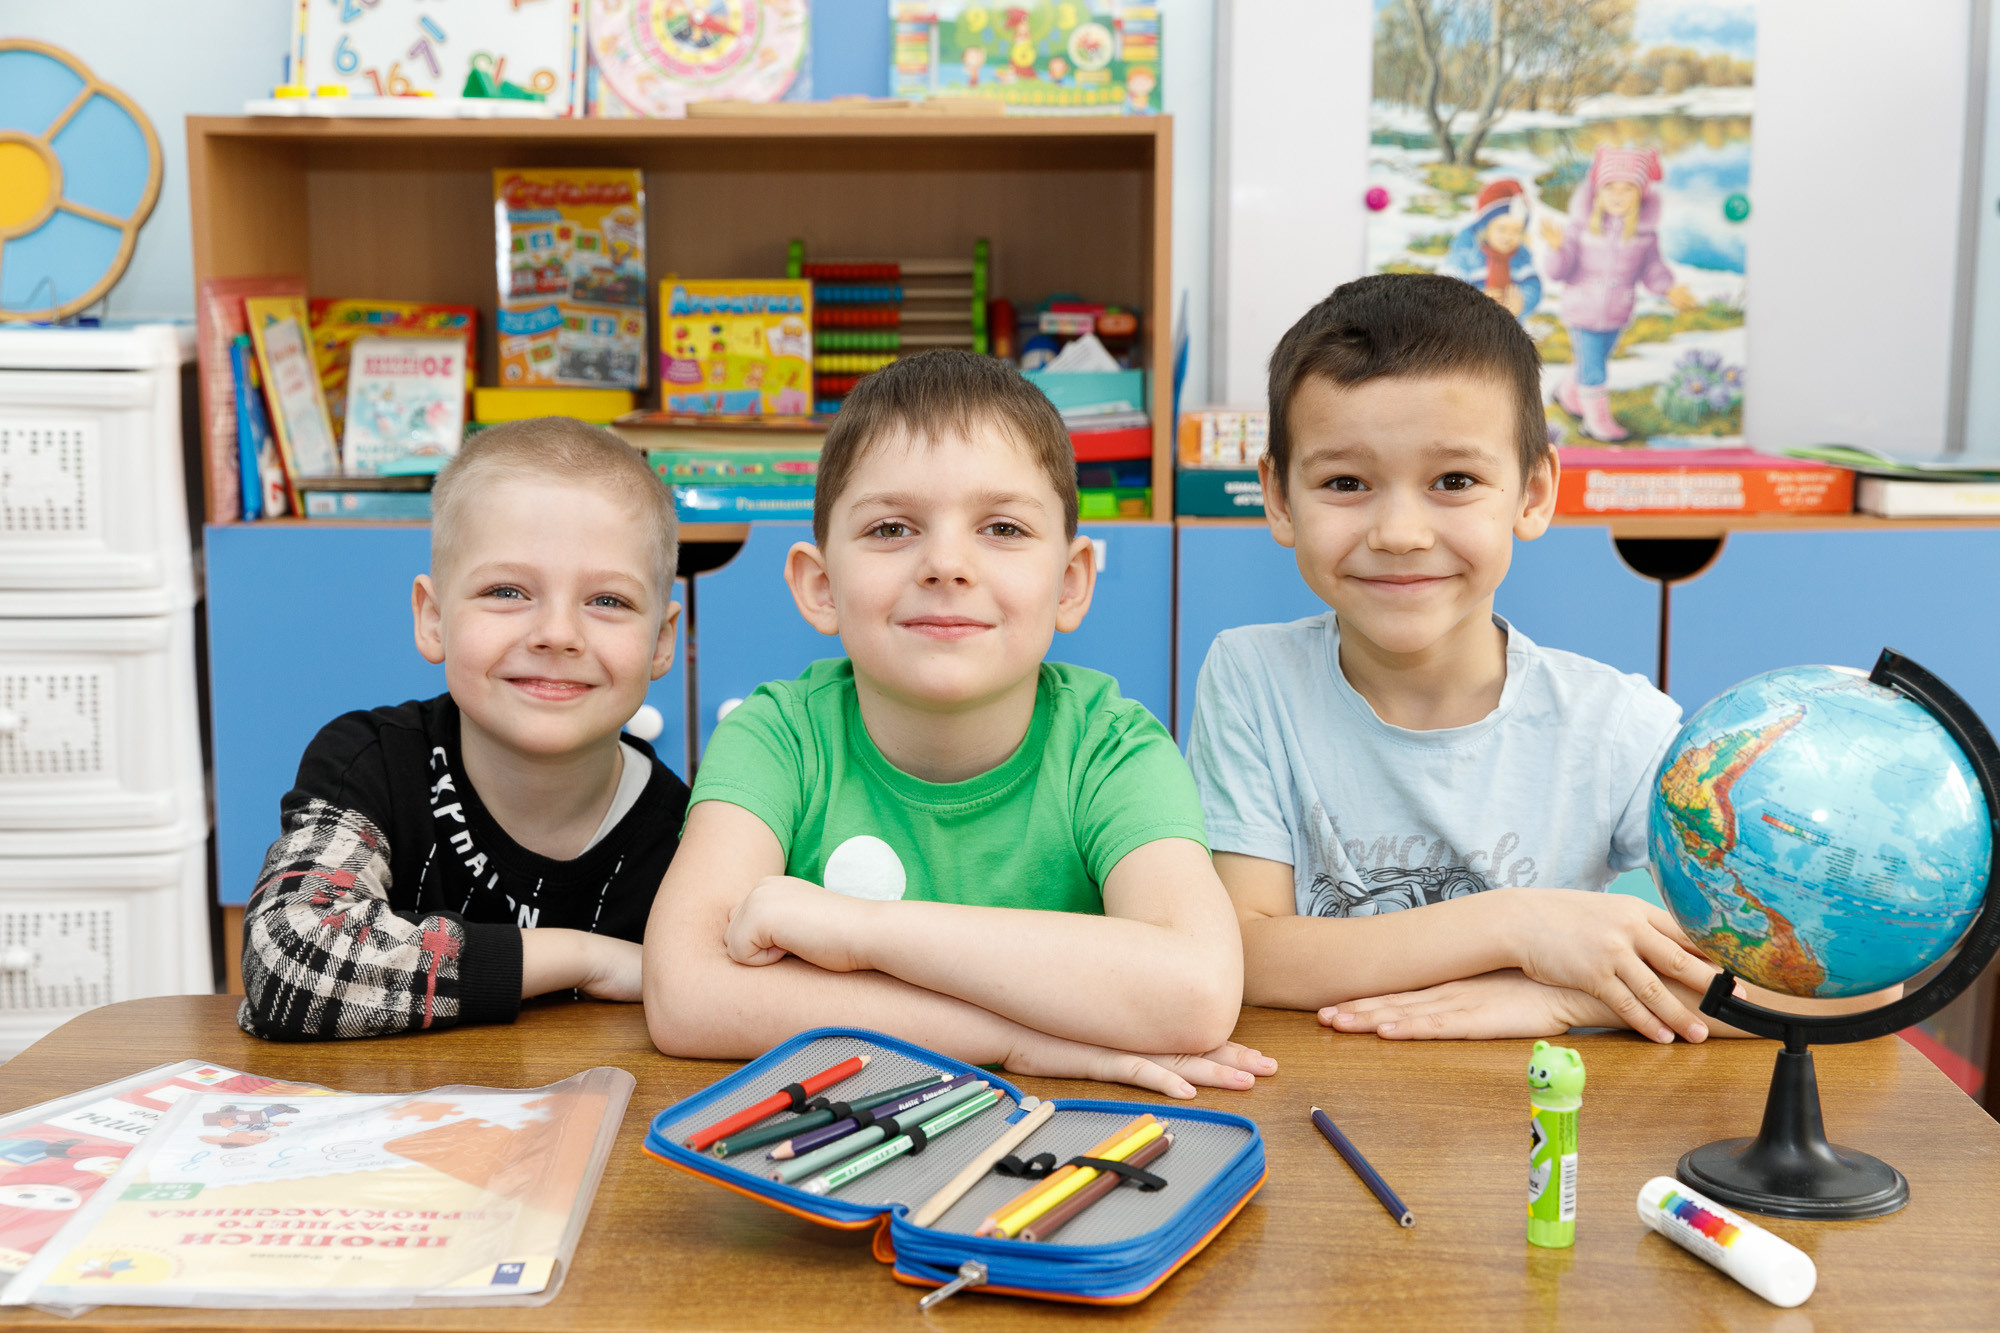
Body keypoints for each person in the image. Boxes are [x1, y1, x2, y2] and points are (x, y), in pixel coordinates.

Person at [643, 350, 1273, 1099]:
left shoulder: (1113, 746)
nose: (946, 563)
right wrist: (1009, 1038)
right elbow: (686, 996)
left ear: (1070, 583)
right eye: (891, 529)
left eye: (1002, 527)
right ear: (820, 586)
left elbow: (1195, 990)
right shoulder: (777, 734)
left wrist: (859, 931)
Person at [238, 419, 689, 1040]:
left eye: (607, 601)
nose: (557, 633)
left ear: (663, 640)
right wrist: (590, 958)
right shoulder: (370, 762)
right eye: (507, 591)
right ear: (433, 619)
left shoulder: (694, 832)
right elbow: (287, 964)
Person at [1539, 145, 1698, 441]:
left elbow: (1652, 269)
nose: (1618, 195)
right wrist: (1557, 248)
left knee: (1594, 358)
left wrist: (1669, 288)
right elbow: (1558, 271)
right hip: (1582, 309)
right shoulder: (1579, 229)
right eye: (1610, 187)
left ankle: (1566, 392)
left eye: (1628, 189)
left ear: (1641, 195)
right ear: (1597, 192)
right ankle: (1596, 422)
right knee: (1595, 367)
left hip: (1617, 311)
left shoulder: (1643, 235)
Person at [1441, 178, 1542, 320]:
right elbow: (1446, 291)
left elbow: (1533, 286)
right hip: (1467, 331)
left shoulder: (1520, 259)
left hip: (1508, 330)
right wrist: (1476, 302)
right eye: (1502, 229)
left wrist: (1521, 303)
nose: (1508, 236)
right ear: (1485, 228)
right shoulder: (1466, 256)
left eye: (1516, 231)